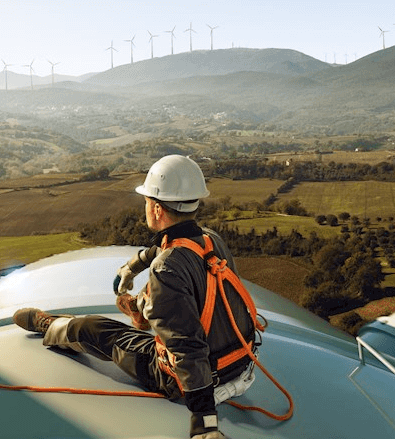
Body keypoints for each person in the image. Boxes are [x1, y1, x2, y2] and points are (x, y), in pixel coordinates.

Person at [13, 154, 257, 439]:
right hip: (241, 363)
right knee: (164, 296)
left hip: (194, 380)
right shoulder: (210, 239)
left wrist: (205, 424)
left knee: (94, 329)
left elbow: (187, 348)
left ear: (156, 208)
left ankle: (51, 326)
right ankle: (142, 307)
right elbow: (165, 248)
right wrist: (132, 267)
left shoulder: (166, 269)